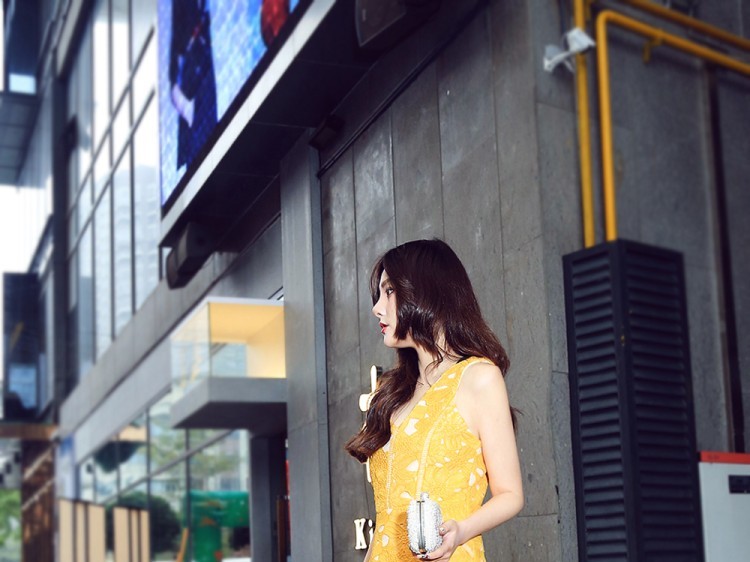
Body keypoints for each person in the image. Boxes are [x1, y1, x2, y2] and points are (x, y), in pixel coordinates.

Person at [345, 239, 523, 561]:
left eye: (389, 291)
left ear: (425, 291)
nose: (377, 308)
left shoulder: (479, 378)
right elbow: (386, 517)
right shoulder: (394, 392)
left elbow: (510, 494)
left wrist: (461, 531)